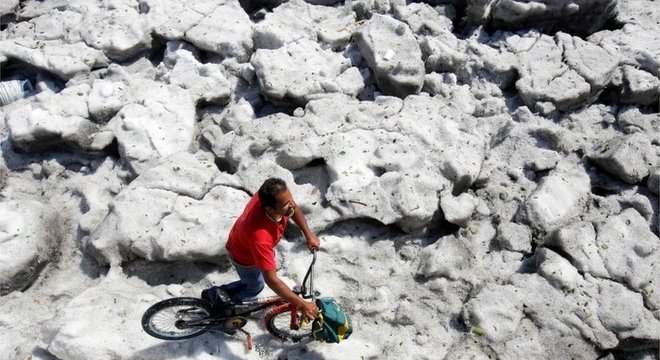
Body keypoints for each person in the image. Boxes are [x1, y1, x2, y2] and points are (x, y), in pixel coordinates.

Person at [204, 178, 320, 321]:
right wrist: (302, 305)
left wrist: (309, 235)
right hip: (244, 256)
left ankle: (222, 295)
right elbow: (271, 280)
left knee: (253, 281)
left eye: (290, 198)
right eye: (285, 204)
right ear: (270, 209)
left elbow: (293, 208)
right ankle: (221, 303)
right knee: (254, 286)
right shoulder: (261, 238)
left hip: (245, 240)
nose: (292, 205)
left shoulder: (271, 197)